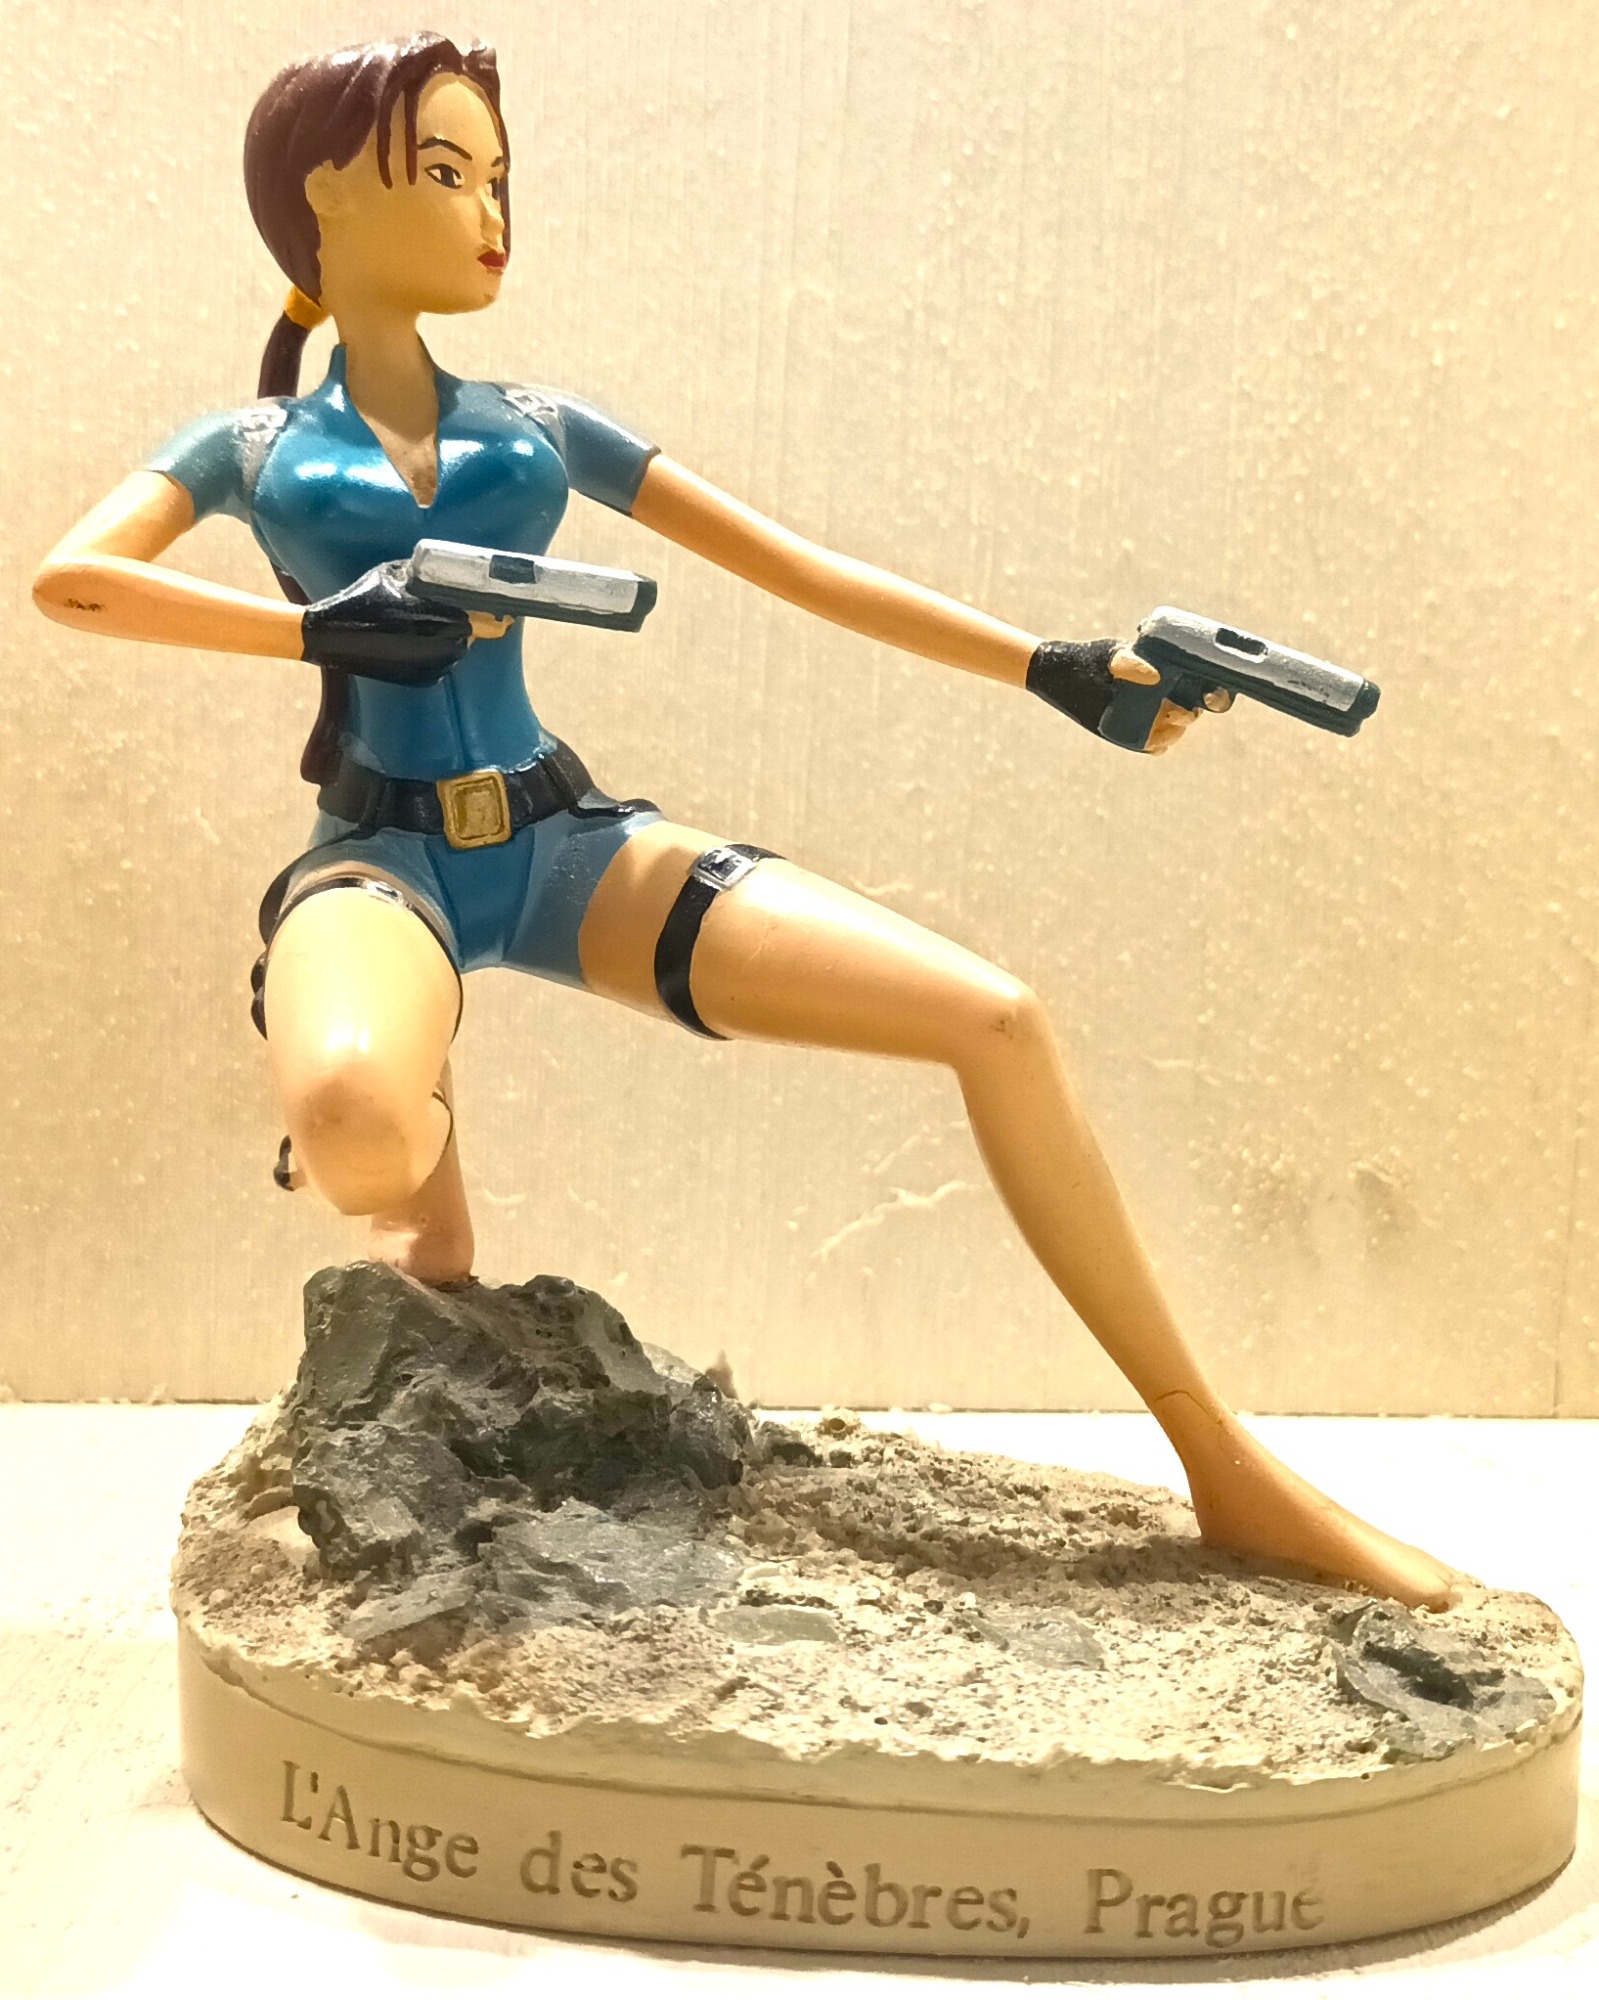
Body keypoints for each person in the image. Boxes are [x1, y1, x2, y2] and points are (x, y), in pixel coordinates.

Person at [32, 33, 1453, 1609]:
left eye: (499, 176)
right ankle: (409, 1165)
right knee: (359, 1131)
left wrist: (1051, 667)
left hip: (564, 846)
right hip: (383, 862)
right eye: (445, 171)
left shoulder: (539, 426)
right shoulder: (253, 448)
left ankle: (1227, 1464)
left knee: (993, 1017)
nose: (491, 211)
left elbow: (803, 569)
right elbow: (73, 580)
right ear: (326, 194)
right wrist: (315, 628)